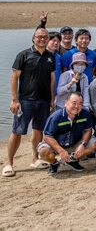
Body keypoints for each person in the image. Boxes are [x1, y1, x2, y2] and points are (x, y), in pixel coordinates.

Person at [4, 27, 56, 177]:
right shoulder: (24, 55)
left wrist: (51, 99)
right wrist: (14, 100)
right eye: (39, 37)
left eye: (45, 37)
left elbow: (51, 79)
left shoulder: (50, 56)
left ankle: (35, 158)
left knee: (38, 130)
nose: (42, 39)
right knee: (17, 131)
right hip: (25, 100)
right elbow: (14, 77)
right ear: (33, 38)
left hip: (44, 101)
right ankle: (9, 163)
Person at [38, 91, 96, 175]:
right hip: (57, 145)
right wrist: (60, 150)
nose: (77, 106)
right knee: (43, 151)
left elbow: (88, 130)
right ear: (66, 103)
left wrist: (82, 144)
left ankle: (73, 160)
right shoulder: (56, 117)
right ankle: (54, 163)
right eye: (74, 103)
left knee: (93, 144)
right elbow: (47, 136)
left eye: (80, 103)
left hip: (75, 142)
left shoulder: (85, 113)